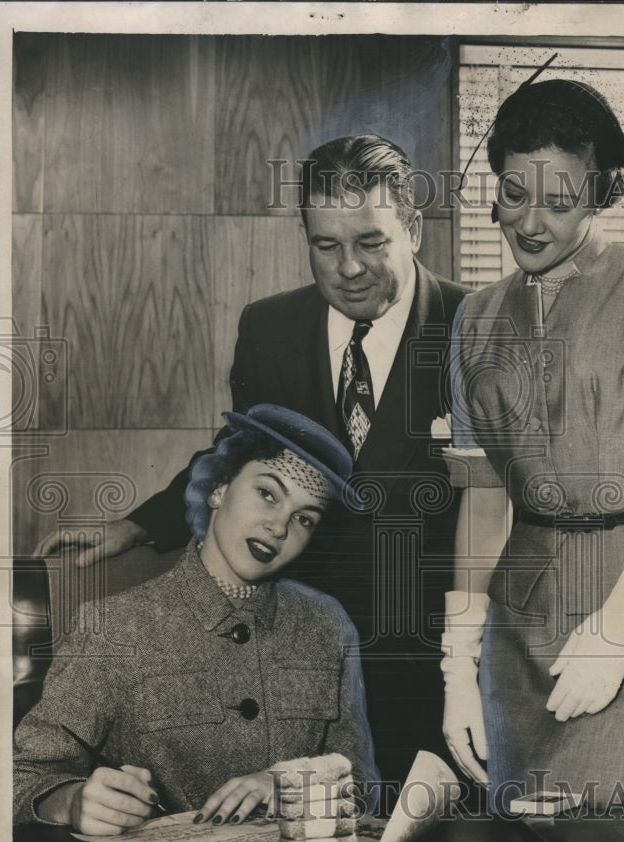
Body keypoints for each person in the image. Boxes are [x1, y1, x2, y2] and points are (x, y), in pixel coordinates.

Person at [36, 134, 470, 790]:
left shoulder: (474, 326)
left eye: (371, 242)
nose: (348, 268)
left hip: (433, 671)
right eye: (326, 245)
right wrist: (136, 527)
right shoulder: (270, 327)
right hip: (303, 664)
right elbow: (243, 452)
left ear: (411, 228)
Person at [440, 77, 624, 814]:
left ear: (601, 194)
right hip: (517, 630)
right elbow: (481, 497)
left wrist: (620, 625)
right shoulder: (474, 319)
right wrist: (457, 664)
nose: (530, 222)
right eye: (512, 193)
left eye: (560, 202)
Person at [14, 405, 380, 833]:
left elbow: (361, 784)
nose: (279, 526)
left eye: (304, 518)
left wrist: (295, 786)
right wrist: (71, 801)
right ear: (220, 489)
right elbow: (20, 778)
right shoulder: (115, 628)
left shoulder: (326, 624)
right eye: (267, 493)